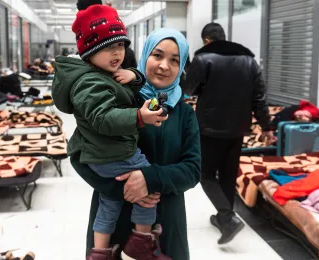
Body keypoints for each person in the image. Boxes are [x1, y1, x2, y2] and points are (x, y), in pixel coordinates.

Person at [52, 1, 171, 259]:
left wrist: (134, 77)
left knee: (110, 201)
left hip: (103, 154)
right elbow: (102, 117)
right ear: (89, 51)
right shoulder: (89, 81)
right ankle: (141, 245)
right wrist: (140, 116)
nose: (116, 53)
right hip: (115, 153)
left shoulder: (101, 74)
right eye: (107, 47)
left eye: (120, 45)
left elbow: (120, 91)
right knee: (147, 187)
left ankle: (100, 251)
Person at [69, 27, 200, 260]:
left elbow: (193, 170)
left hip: (165, 218)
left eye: (174, 60)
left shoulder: (184, 113)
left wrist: (149, 179)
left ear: (181, 67)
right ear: (145, 54)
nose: (164, 66)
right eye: (157, 55)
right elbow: (79, 154)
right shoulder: (117, 99)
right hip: (113, 221)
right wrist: (125, 190)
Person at [182, 22, 273, 244]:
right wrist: (267, 126)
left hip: (210, 129)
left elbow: (188, 89)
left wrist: (187, 66)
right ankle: (224, 219)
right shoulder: (249, 60)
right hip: (238, 128)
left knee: (204, 175)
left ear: (207, 40)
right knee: (228, 175)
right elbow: (259, 97)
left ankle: (228, 216)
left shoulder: (204, 59)